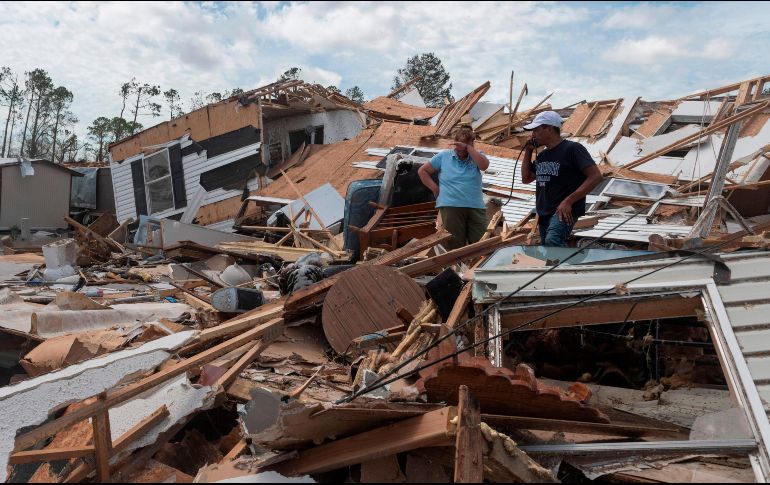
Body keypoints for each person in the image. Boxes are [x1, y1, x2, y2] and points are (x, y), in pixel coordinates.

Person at [521, 111, 603, 247]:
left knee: (553, 241)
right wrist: (528, 151)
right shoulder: (543, 155)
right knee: (548, 249)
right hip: (544, 211)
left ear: (549, 128)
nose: (533, 135)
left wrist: (569, 201)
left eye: (536, 130)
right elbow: (526, 178)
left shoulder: (572, 149)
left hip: (563, 211)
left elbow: (596, 176)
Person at [418, 126, 490, 250]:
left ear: (471, 144)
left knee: (482, 243)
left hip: (475, 206)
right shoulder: (444, 156)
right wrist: (435, 188)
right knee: (454, 245)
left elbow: (484, 166)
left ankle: (476, 262)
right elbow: (422, 171)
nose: (460, 150)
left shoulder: (476, 156)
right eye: (458, 146)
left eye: (464, 146)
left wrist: (468, 148)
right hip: (451, 205)